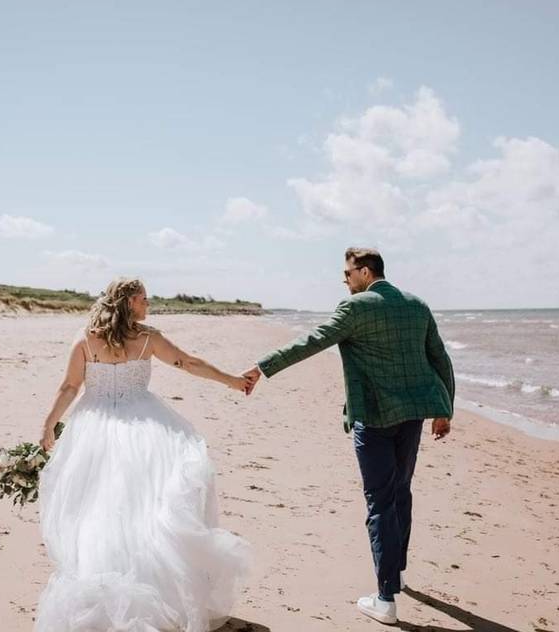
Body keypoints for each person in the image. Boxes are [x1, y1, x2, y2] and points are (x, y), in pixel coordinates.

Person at [243, 247, 455, 626]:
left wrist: (263, 366)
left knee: (379, 502)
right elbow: (439, 359)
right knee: (401, 490)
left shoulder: (355, 309)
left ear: (365, 271)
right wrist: (445, 409)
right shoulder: (416, 305)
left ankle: (386, 598)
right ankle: (397, 571)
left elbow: (312, 342)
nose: (344, 280)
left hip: (373, 417)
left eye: (347, 273)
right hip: (412, 416)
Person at [34, 277, 252, 632]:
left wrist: (48, 425)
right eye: (145, 299)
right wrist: (231, 380)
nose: (148, 305)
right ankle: (146, 589)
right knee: (141, 506)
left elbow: (70, 387)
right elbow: (187, 362)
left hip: (95, 426)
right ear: (130, 302)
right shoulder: (148, 338)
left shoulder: (87, 339)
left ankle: (111, 585)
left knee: (100, 507)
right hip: (143, 425)